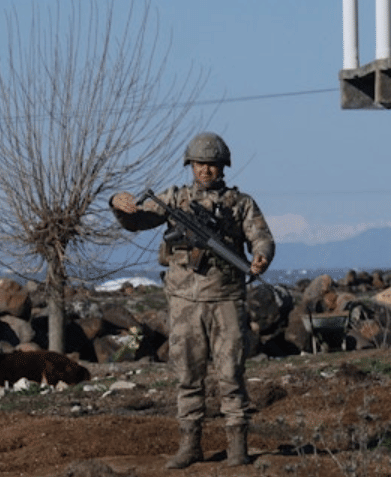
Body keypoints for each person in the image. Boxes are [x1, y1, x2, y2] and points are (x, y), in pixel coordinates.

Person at [109, 131, 274, 469]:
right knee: (187, 374)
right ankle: (190, 444)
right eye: (200, 164)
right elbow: (137, 220)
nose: (205, 171)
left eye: (211, 165)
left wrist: (261, 258)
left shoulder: (240, 204)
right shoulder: (175, 199)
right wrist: (118, 204)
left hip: (226, 298)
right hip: (184, 299)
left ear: (222, 167)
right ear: (191, 165)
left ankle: (237, 444)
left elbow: (261, 237)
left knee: (231, 373)